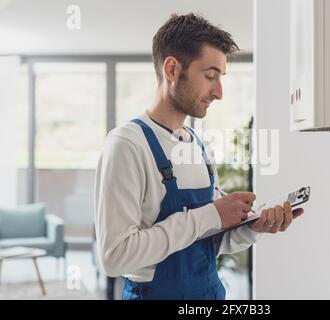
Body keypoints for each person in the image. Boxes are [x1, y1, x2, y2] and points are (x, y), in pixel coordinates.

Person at [94, 13, 304, 300]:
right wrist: (210, 215)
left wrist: (252, 227)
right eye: (210, 76)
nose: (218, 92)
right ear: (171, 69)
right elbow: (115, 256)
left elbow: (208, 241)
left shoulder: (198, 146)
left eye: (220, 78)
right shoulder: (127, 144)